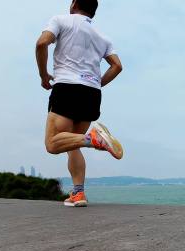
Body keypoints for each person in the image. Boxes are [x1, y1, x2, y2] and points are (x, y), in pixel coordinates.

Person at [35, 0, 124, 207]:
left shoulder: (61, 20)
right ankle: (78, 193)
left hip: (67, 87)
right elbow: (117, 66)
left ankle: (93, 138)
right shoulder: (103, 37)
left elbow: (42, 43)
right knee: (72, 144)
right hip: (91, 94)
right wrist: (96, 83)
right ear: (93, 11)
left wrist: (43, 75)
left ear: (74, 4)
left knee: (52, 143)